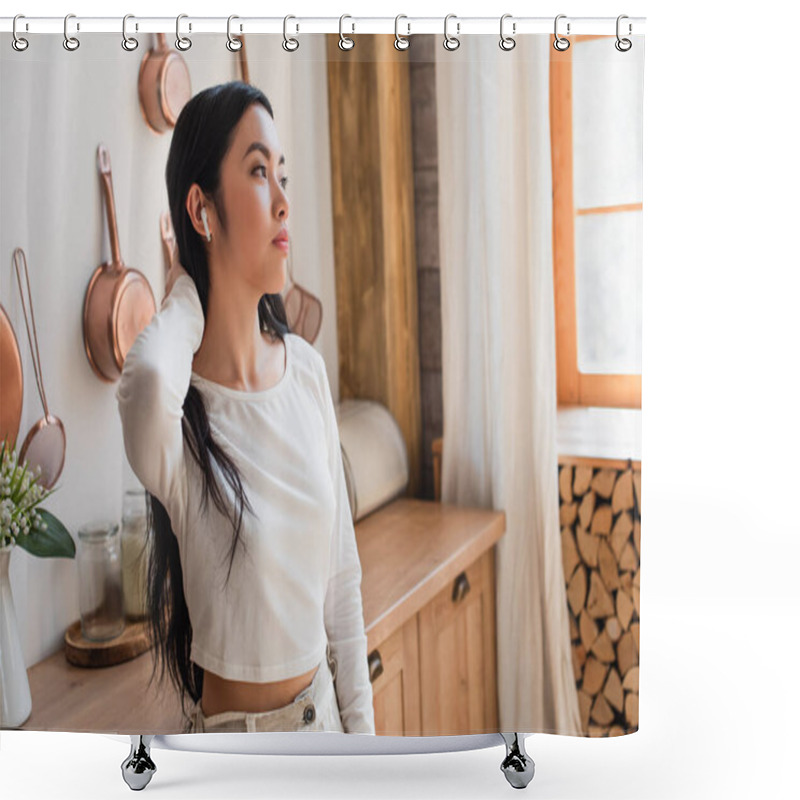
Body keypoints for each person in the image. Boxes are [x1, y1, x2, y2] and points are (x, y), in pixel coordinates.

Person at [116, 81, 375, 735]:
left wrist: (370, 756)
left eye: (281, 174)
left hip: (329, 736)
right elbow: (145, 377)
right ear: (201, 210)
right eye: (260, 172)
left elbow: (342, 587)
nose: (285, 202)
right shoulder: (178, 418)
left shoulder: (307, 374)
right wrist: (184, 288)